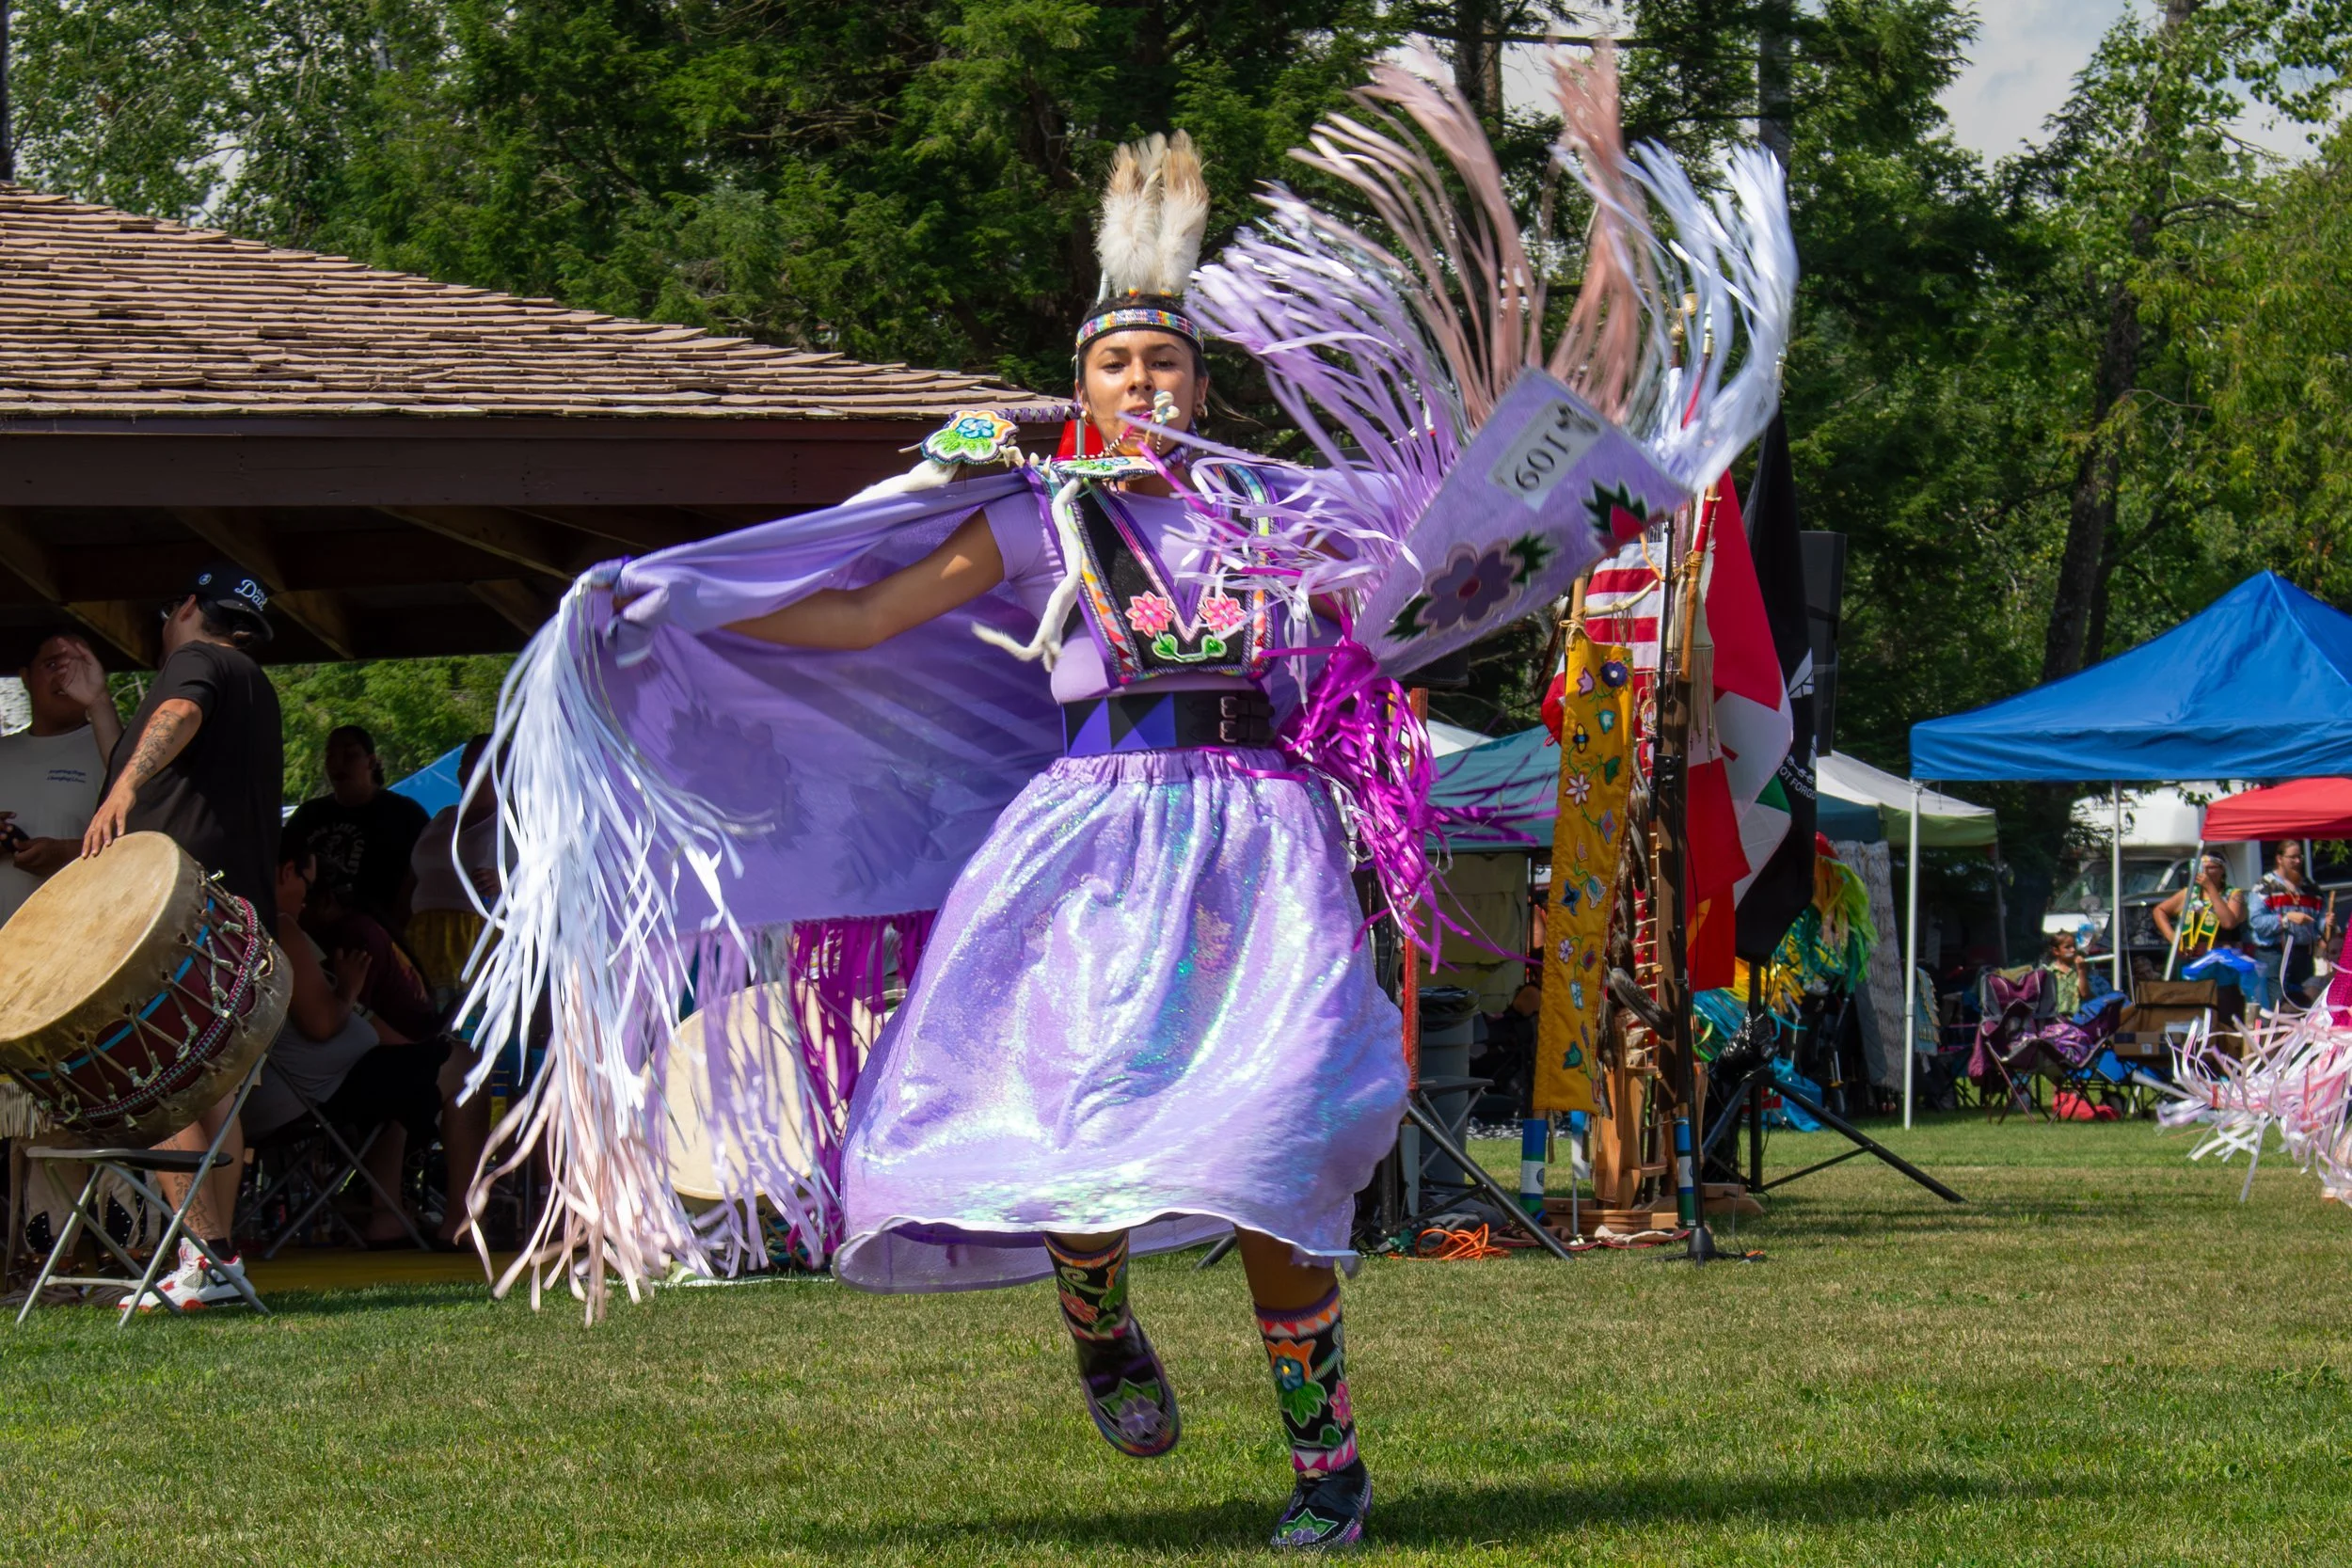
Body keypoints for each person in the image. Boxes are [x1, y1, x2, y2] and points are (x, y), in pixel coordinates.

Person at [469, 68, 1789, 1553]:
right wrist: (688, 613)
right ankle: (1095, 1308)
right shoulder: (1033, 515)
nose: (1148, 385)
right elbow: (867, 615)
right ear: (1079, 385)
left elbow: (1414, 592)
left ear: (1200, 385)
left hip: (1260, 851)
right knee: (1071, 1136)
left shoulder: (1283, 513)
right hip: (1088, 852)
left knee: (1275, 1155)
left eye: (1169, 363)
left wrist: (1553, 493)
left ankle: (1330, 1467)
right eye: (1121, 367)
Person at [83, 561, 282, 1308]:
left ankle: (206, 1257)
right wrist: (106, 715)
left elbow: (179, 715)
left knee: (156, 1078)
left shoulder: (198, 661)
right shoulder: (254, 684)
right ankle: (219, 1265)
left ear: (191, 607)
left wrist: (128, 787)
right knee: (213, 1087)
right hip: (235, 911)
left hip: (178, 908)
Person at [0, 628, 121, 923]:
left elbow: (148, 840)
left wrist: (69, 853)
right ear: (26, 678)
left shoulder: (120, 750)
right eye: (52, 665)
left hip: (78, 945)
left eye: (79, 664)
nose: (67, 676)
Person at [284, 724, 430, 930]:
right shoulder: (309, 815)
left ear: (371, 762)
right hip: (309, 931)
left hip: (378, 934)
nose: (337, 764)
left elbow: (421, 879)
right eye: (330, 756)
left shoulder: (405, 815)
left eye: (349, 755)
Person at [406, 733, 501, 1012]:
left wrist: (505, 880)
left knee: (458, 1028)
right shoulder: (442, 818)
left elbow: (545, 882)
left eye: (479, 762)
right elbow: (412, 878)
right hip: (420, 937)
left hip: (473, 941)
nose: (467, 770)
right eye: (464, 762)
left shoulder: (516, 824)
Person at [2250, 842, 2324, 1006]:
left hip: (2303, 955)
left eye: (2300, 857)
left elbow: (2320, 918)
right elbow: (2256, 921)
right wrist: (2286, 919)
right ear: (2279, 859)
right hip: (2274, 955)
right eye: (2292, 857)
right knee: (2279, 1005)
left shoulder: (2309, 887)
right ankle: (2277, 1033)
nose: (2298, 861)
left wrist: (2326, 926)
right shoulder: (2265, 886)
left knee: (2306, 1003)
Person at [2153, 854, 2248, 967]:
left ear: (2222, 870)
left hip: (2222, 959)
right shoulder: (2189, 893)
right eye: (2202, 867)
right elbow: (2159, 910)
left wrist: (2210, 888)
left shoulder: (2233, 894)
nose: (2205, 872)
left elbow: (2228, 923)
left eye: (2211, 868)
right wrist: (2172, 937)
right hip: (2190, 957)